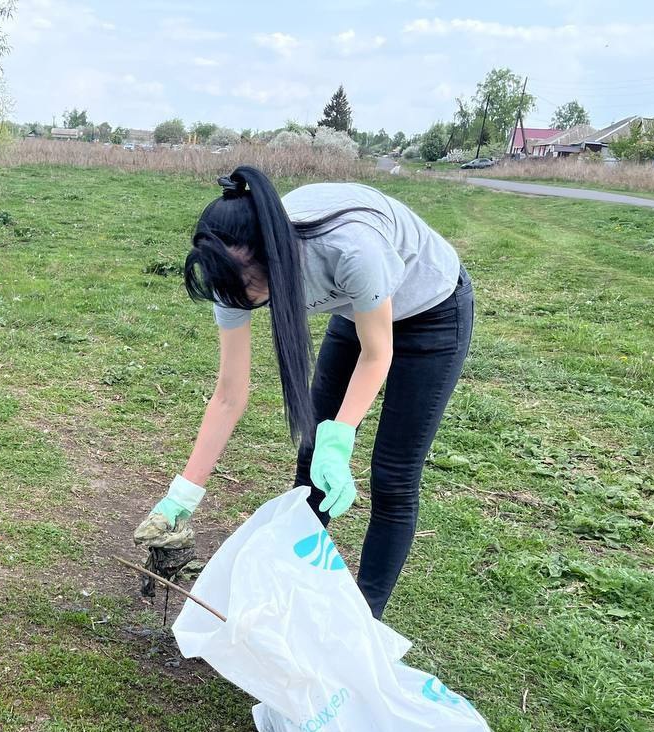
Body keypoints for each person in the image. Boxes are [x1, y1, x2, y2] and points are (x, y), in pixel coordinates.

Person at [134, 165, 473, 619]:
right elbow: (230, 393)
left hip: (432, 311)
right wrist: (183, 494)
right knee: (310, 463)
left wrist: (342, 434)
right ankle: (294, 597)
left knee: (393, 476)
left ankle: (363, 622)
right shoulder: (230, 274)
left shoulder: (351, 249)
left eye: (250, 290)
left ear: (274, 256)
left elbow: (377, 355)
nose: (242, 301)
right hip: (357, 311)